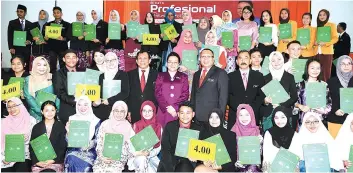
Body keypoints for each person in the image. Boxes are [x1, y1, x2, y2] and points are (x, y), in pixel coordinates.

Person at [157, 101, 204, 172]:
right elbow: (165, 150)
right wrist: (170, 169)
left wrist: (197, 156)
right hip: (170, 162)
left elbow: (203, 151)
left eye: (188, 113)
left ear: (193, 114)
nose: (185, 116)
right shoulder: (170, 126)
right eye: (182, 113)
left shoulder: (199, 129)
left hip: (190, 163)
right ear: (178, 114)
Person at [93, 101, 135, 173]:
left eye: (122, 111)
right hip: (103, 156)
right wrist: (102, 157)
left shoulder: (128, 126)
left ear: (125, 113)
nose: (119, 114)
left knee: (112, 170)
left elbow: (131, 146)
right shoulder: (105, 124)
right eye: (116, 111)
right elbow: (99, 142)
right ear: (112, 111)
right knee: (98, 170)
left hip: (119, 158)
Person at [260, 51, 298, 130]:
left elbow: (294, 97)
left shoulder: (289, 77)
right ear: (270, 62)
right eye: (273, 61)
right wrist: (265, 101)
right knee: (269, 139)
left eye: (279, 59)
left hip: (285, 113)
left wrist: (281, 105)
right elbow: (260, 97)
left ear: (283, 60)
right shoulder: (265, 78)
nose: (276, 62)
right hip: (268, 115)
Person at [228, 50, 265, 128]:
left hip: (253, 113)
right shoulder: (230, 76)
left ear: (250, 61)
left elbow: (261, 95)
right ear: (237, 62)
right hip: (235, 114)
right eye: (240, 58)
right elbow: (228, 95)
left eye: (246, 58)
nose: (243, 60)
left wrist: (250, 109)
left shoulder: (259, 76)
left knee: (251, 139)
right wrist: (240, 108)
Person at [64, 96, 102, 172]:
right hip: (74, 149)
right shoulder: (72, 118)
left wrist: (89, 144)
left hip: (90, 150)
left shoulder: (96, 121)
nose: (82, 107)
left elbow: (99, 140)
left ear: (90, 105)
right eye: (79, 105)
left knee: (86, 165)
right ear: (76, 105)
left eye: (85, 104)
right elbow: (67, 142)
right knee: (71, 159)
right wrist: (68, 132)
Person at [191, 48, 228, 122]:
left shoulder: (220, 73)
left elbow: (223, 98)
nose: (205, 59)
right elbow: (193, 96)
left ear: (213, 59)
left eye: (208, 56)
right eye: (203, 57)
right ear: (199, 59)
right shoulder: (196, 74)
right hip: (197, 116)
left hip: (212, 117)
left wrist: (219, 116)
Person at [195, 108, 237, 172]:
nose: (214, 120)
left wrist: (221, 166)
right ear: (208, 119)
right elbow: (198, 155)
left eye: (217, 117)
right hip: (209, 168)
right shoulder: (203, 134)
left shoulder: (230, 135)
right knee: (198, 170)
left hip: (225, 169)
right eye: (211, 117)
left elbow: (233, 157)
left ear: (221, 119)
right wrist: (203, 161)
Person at [29, 101, 67, 173]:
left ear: (56, 111)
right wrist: (37, 161)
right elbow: (32, 146)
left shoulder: (61, 127)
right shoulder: (36, 127)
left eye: (52, 110)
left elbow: (63, 147)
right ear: (42, 112)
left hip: (55, 162)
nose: (50, 113)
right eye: (46, 110)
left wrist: (53, 160)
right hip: (40, 162)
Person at [1, 97, 37, 172]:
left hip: (23, 155)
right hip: (5, 156)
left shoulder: (31, 121)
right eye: (9, 107)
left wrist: (26, 138)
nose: (12, 109)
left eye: (15, 106)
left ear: (20, 105)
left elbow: (35, 141)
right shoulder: (3, 122)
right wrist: (4, 158)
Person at [295, 58, 332, 129]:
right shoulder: (300, 85)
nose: (315, 71)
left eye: (318, 68)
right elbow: (293, 102)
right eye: (312, 68)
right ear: (307, 68)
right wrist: (300, 106)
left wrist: (323, 110)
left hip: (320, 121)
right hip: (304, 121)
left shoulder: (324, 85)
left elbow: (329, 104)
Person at [155, 52, 189, 127]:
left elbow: (185, 94)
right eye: (170, 62)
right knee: (162, 134)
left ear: (178, 64)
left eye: (175, 62)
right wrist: (167, 107)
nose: (172, 64)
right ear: (166, 63)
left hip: (176, 111)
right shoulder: (161, 75)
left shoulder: (184, 76)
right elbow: (158, 93)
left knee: (175, 133)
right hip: (163, 110)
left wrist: (174, 107)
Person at [262, 106, 301, 171]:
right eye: (276, 118)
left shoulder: (295, 135)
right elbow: (266, 158)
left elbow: (297, 158)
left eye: (283, 117)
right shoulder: (269, 133)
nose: (279, 121)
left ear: (287, 117)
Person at [93, 52, 129, 120]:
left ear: (117, 61)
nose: (110, 62)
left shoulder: (123, 75)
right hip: (103, 111)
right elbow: (98, 93)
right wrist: (95, 102)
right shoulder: (101, 76)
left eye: (113, 60)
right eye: (107, 60)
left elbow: (125, 93)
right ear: (105, 62)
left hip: (118, 110)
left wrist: (109, 100)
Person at [24, 57, 60, 121]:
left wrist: (55, 109)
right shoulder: (28, 79)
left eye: (44, 65)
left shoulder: (52, 77)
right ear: (34, 66)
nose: (42, 67)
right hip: (36, 113)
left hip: (52, 112)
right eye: (39, 65)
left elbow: (58, 94)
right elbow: (28, 97)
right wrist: (40, 111)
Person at [130, 101, 163, 172]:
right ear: (141, 112)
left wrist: (149, 153)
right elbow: (130, 146)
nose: (146, 113)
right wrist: (138, 153)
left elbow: (158, 147)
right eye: (144, 110)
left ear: (154, 111)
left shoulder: (158, 127)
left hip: (151, 157)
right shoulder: (135, 126)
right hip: (137, 157)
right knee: (142, 159)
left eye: (149, 111)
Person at [127, 51, 158, 123]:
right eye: (140, 58)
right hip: (135, 111)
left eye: (145, 58)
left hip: (151, 112)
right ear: (137, 61)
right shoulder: (129, 75)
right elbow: (127, 94)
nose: (142, 61)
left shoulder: (157, 75)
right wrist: (128, 110)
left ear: (149, 60)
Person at [327, 55, 353, 138]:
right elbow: (327, 100)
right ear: (338, 65)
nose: (346, 66)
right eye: (343, 64)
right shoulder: (331, 82)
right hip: (336, 119)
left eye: (349, 63)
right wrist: (335, 109)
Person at [231, 104, 262, 172]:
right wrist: (235, 163)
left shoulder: (257, 131)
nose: (244, 118)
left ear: (251, 115)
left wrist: (261, 144)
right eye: (241, 115)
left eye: (247, 115)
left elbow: (260, 159)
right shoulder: (233, 132)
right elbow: (230, 153)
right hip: (237, 168)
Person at [53, 49, 79, 124]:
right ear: (64, 59)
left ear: (77, 59)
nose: (71, 60)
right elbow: (59, 93)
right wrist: (74, 101)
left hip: (83, 107)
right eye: (68, 57)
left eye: (74, 57)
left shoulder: (83, 72)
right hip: (67, 107)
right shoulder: (59, 74)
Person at [315, 9, 339, 82]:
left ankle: (326, 88)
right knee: (317, 71)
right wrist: (315, 43)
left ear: (327, 16)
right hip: (317, 52)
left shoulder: (331, 25)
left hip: (327, 52)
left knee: (326, 72)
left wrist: (325, 43)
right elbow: (314, 39)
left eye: (324, 15)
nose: (322, 16)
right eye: (320, 15)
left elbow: (335, 38)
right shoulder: (317, 27)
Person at [7, 4, 32, 71]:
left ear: (25, 13)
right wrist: (11, 47)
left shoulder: (30, 24)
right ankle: (16, 80)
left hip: (26, 49)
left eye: (21, 11)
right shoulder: (12, 23)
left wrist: (29, 41)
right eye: (17, 11)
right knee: (16, 66)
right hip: (16, 49)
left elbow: (32, 37)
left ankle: (25, 80)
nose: (19, 13)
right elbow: (9, 36)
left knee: (25, 66)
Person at [159, 8, 182, 72]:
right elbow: (158, 38)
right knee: (164, 64)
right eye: (168, 15)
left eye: (171, 15)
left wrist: (176, 40)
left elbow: (181, 37)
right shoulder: (162, 25)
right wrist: (160, 36)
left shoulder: (178, 25)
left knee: (175, 63)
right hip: (164, 48)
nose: (170, 17)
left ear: (174, 16)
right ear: (166, 16)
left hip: (175, 47)